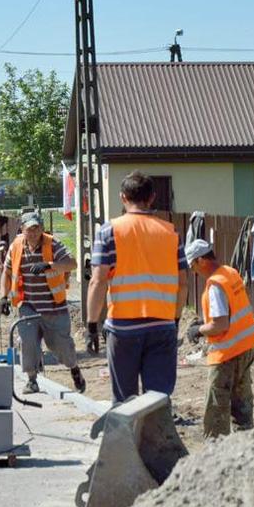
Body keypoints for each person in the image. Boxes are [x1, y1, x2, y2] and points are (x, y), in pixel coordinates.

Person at [86, 171, 188, 403]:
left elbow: (98, 281)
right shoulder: (171, 233)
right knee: (158, 398)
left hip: (123, 328)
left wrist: (92, 325)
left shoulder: (109, 231)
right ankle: (157, 438)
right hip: (162, 326)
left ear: (123, 197)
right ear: (151, 198)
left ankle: (128, 438)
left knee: (124, 400)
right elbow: (183, 284)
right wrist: (175, 319)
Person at [1, 211, 85, 395]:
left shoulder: (53, 244)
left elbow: (72, 264)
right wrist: (3, 297)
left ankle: (74, 369)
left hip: (54, 307)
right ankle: (32, 380)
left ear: (42, 229)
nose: (32, 233)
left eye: (36, 228)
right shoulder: (16, 247)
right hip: (28, 306)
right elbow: (6, 273)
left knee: (60, 346)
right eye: (29, 229)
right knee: (27, 342)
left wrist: (49, 265)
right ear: (22, 229)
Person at [184, 239, 254, 438]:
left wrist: (198, 330)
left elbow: (220, 325)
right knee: (241, 403)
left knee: (216, 409)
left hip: (228, 354)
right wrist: (205, 320)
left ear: (201, 260)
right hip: (246, 347)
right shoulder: (229, 272)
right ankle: (247, 445)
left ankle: (216, 450)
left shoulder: (215, 285)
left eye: (193, 265)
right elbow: (231, 310)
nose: (193, 271)